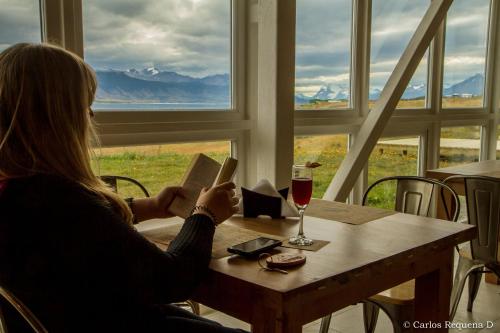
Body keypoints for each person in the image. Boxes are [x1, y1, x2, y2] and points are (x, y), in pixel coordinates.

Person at [0, 43, 247, 333]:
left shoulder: (20, 193)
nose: (90, 116)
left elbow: (81, 234)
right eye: (83, 105)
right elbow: (172, 280)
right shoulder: (60, 202)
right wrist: (204, 215)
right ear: (55, 118)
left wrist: (147, 207)